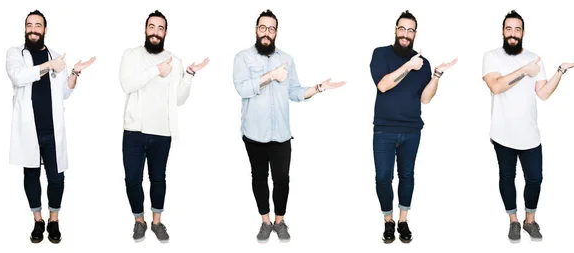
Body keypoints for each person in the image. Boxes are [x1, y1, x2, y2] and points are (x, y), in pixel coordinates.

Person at [232, 9, 346, 243]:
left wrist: (318, 88)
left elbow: (294, 91)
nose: (267, 33)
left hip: (282, 134)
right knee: (259, 177)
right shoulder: (243, 57)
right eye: (262, 28)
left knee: (282, 178)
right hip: (254, 133)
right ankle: (265, 222)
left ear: (276, 32)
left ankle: (279, 220)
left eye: (271, 29)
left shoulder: (287, 59)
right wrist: (271, 75)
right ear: (256, 30)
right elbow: (242, 89)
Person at [481, 10, 574, 243]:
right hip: (502, 133)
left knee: (535, 178)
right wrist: (524, 71)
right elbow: (496, 86)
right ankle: (513, 222)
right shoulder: (492, 56)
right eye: (509, 29)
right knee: (507, 177)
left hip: (529, 134)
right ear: (502, 31)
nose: (513, 34)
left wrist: (560, 70)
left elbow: (543, 93)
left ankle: (529, 221)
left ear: (523, 33)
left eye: (517, 29)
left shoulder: (535, 58)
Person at [118, 10, 209, 243]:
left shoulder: (175, 61)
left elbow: (178, 99)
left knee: (158, 178)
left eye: (160, 28)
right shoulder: (132, 55)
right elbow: (127, 84)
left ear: (165, 32)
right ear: (145, 29)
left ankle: (157, 222)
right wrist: (155, 71)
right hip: (134, 132)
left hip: (162, 132)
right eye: (152, 27)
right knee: (132, 180)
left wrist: (188, 75)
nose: (155, 32)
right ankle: (139, 221)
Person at [6, 9, 96, 244]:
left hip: (52, 131)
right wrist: (49, 66)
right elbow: (19, 77)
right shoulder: (15, 54)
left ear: (45, 30)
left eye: (38, 25)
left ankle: (53, 219)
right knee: (31, 175)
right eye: (29, 25)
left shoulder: (57, 56)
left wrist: (74, 72)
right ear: (25, 28)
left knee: (56, 178)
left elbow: (64, 92)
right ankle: (38, 220)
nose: (33, 29)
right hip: (28, 130)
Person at [369, 10, 457, 244]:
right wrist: (409, 66)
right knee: (382, 178)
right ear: (395, 30)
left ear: (415, 34)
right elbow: (384, 86)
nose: (405, 34)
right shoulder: (381, 54)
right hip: (384, 130)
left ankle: (403, 220)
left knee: (407, 176)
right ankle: (388, 221)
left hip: (411, 131)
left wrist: (436, 75)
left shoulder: (423, 63)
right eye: (402, 29)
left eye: (410, 30)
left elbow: (425, 99)